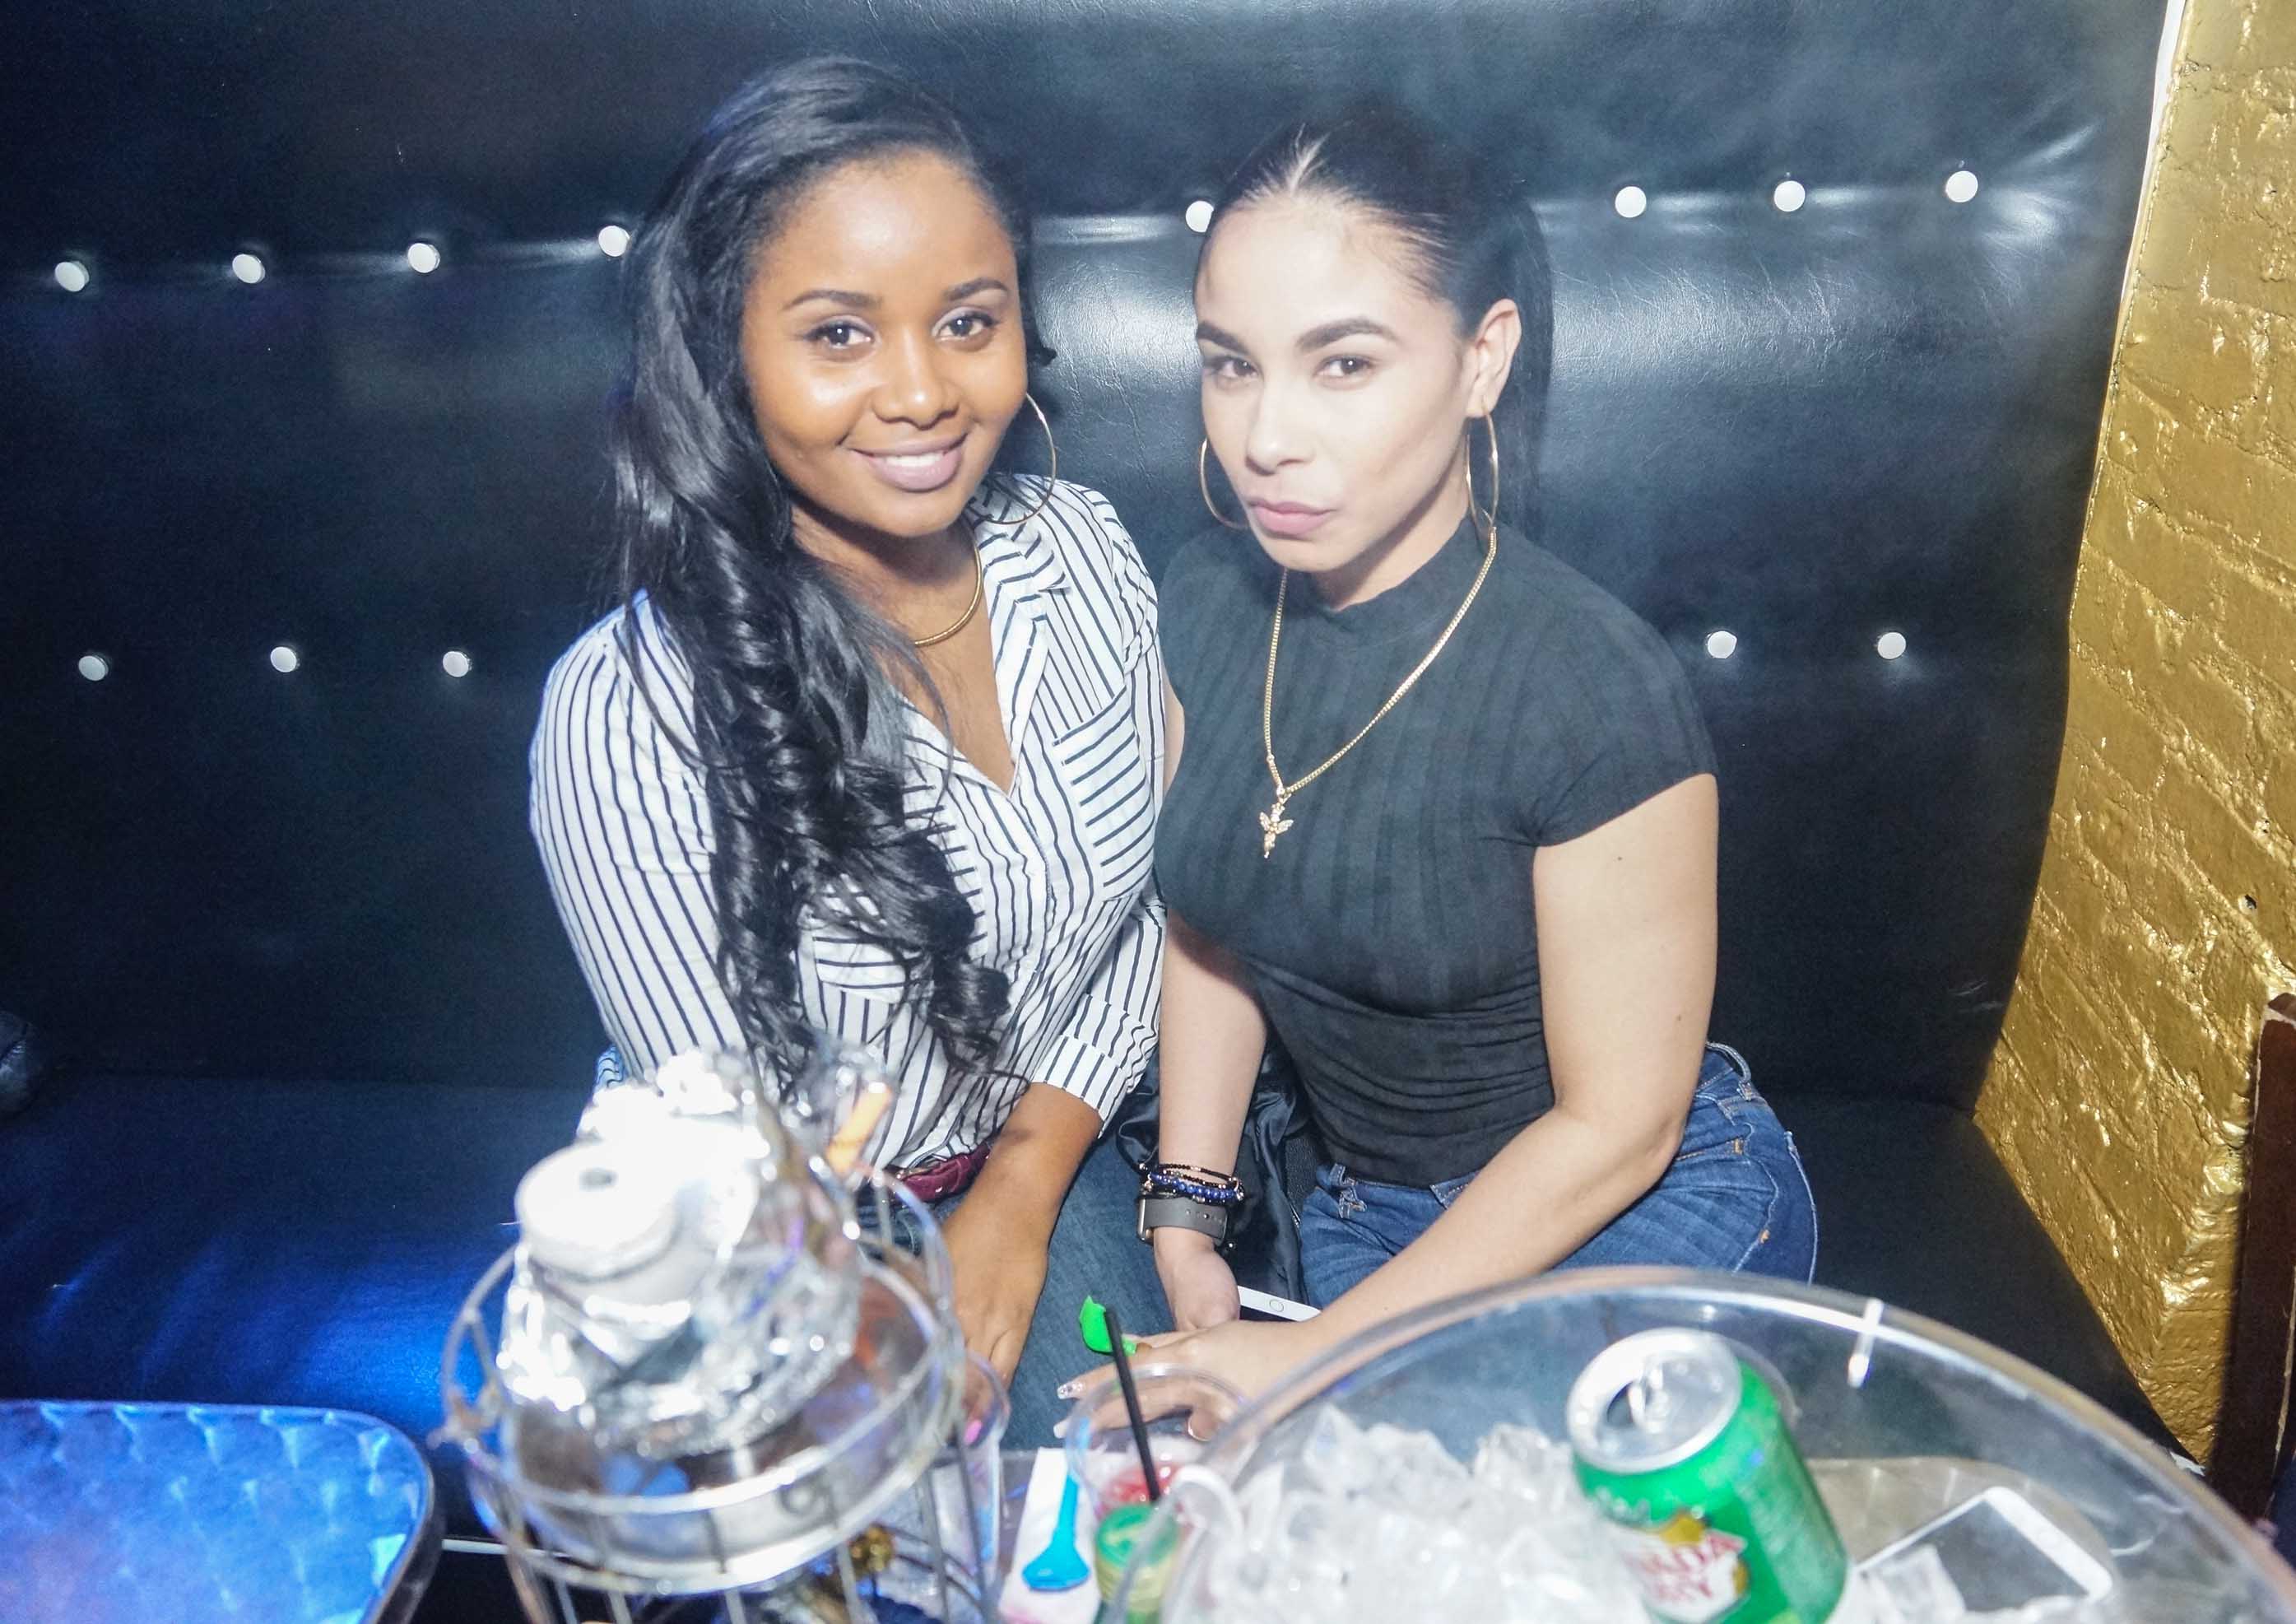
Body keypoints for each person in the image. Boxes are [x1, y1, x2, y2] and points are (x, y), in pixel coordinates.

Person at [1100, 102, 1817, 1402]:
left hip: (1636, 1204)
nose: (1264, 436)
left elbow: (1620, 1126)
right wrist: (1186, 1212)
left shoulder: (1591, 685)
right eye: (1229, 364)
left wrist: (1317, 1348)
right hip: (1366, 1218)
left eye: (1342, 364)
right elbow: (1211, 926)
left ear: (1481, 360)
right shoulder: (1204, 596)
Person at [528, 58, 1169, 1445]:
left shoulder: (1086, 553)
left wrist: (1023, 1186)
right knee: (935, 1532)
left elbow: (1153, 914)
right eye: (838, 335)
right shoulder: (630, 709)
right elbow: (736, 1157)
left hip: (1058, 1140)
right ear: (726, 359)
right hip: (775, 1246)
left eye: (967, 321)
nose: (923, 391)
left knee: (1151, 1504)